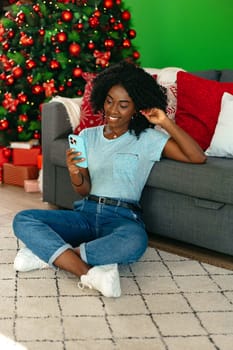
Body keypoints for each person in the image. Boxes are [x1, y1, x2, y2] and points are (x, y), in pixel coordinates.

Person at [13, 61, 206, 298]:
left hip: (122, 218)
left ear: (136, 108)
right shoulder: (85, 136)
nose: (113, 110)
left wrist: (164, 122)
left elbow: (197, 157)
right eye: (109, 101)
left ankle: (51, 256)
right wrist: (75, 171)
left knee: (135, 242)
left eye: (123, 105)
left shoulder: (149, 139)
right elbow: (83, 191)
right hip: (85, 213)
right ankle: (88, 272)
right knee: (24, 219)